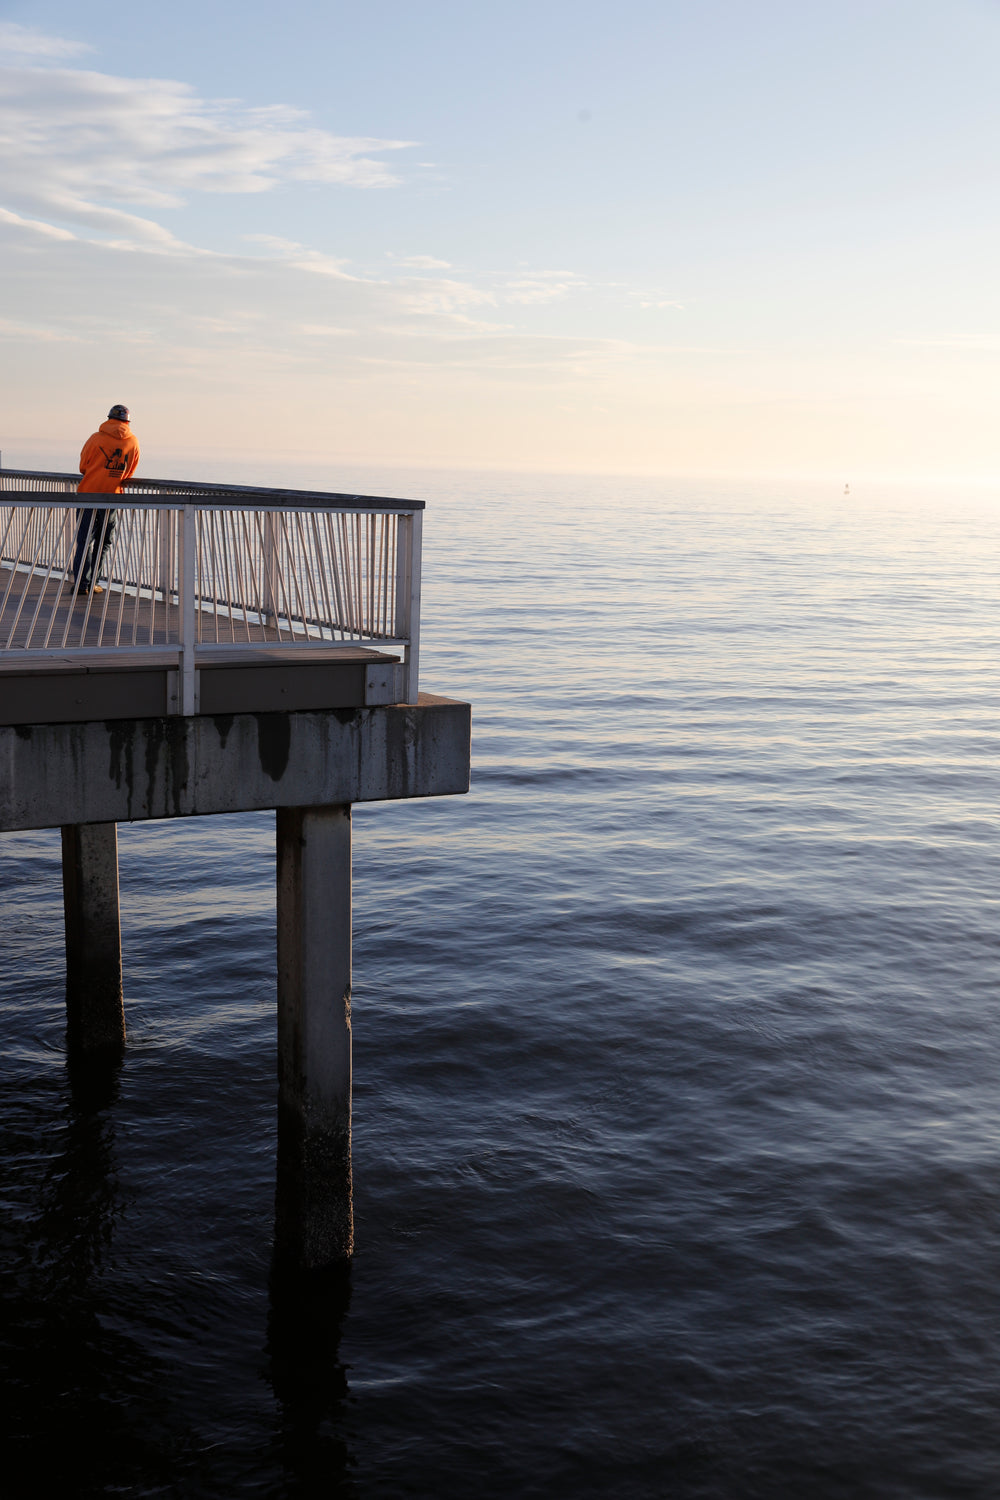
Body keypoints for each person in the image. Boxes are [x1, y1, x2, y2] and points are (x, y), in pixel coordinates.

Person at [72, 404, 141, 594]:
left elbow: (83, 466)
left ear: (109, 418)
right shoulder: (133, 442)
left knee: (85, 540)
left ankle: (80, 584)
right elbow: (130, 471)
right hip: (112, 497)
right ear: (127, 421)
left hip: (88, 494)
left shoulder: (95, 438)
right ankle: (94, 582)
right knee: (104, 541)